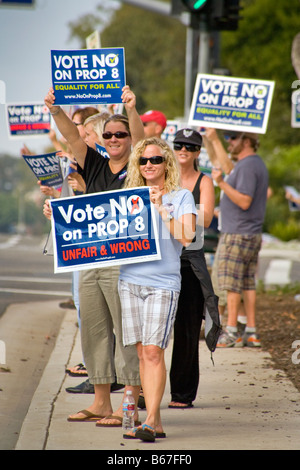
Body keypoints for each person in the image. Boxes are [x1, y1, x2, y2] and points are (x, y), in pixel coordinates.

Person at [43, 85, 144, 426]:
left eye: (121, 134)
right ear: (102, 137)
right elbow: (73, 137)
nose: (115, 138)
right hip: (90, 259)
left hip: (125, 262)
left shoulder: (139, 165)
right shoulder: (94, 163)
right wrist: (56, 111)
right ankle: (101, 401)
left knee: (126, 332)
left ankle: (128, 402)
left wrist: (130, 108)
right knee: (95, 330)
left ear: (129, 138)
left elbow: (142, 140)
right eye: (110, 134)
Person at [120, 137, 197, 442]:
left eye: (155, 159)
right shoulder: (128, 197)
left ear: (166, 162)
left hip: (163, 283)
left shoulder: (181, 197)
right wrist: (55, 216)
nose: (149, 165)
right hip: (129, 281)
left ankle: (150, 419)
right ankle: (157, 421)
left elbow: (188, 237)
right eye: (143, 160)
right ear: (137, 165)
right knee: (142, 352)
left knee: (154, 350)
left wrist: (162, 209)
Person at [168, 128, 220, 409]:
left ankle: (182, 393)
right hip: (161, 261)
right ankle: (139, 390)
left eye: (190, 146)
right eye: (179, 145)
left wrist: (177, 209)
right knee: (151, 331)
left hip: (189, 261)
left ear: (198, 152)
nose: (183, 150)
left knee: (187, 331)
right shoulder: (163, 176)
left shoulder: (204, 181)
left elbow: (208, 217)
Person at [211, 131, 269, 347]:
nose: (230, 142)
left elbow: (244, 201)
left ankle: (232, 330)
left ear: (247, 142)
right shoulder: (254, 164)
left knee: (232, 284)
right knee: (247, 284)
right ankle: (251, 332)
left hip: (237, 233)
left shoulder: (247, 166)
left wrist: (221, 183)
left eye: (233, 138)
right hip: (249, 233)